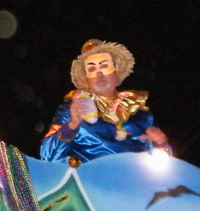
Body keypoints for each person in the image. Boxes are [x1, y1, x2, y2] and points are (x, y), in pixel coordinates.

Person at [40, 39, 170, 163]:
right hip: (88, 183)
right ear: (86, 78)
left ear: (116, 70)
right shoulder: (72, 109)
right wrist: (71, 126)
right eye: (92, 69)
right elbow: (47, 156)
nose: (99, 74)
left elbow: (161, 165)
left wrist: (160, 144)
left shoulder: (141, 113)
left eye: (104, 66)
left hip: (131, 183)